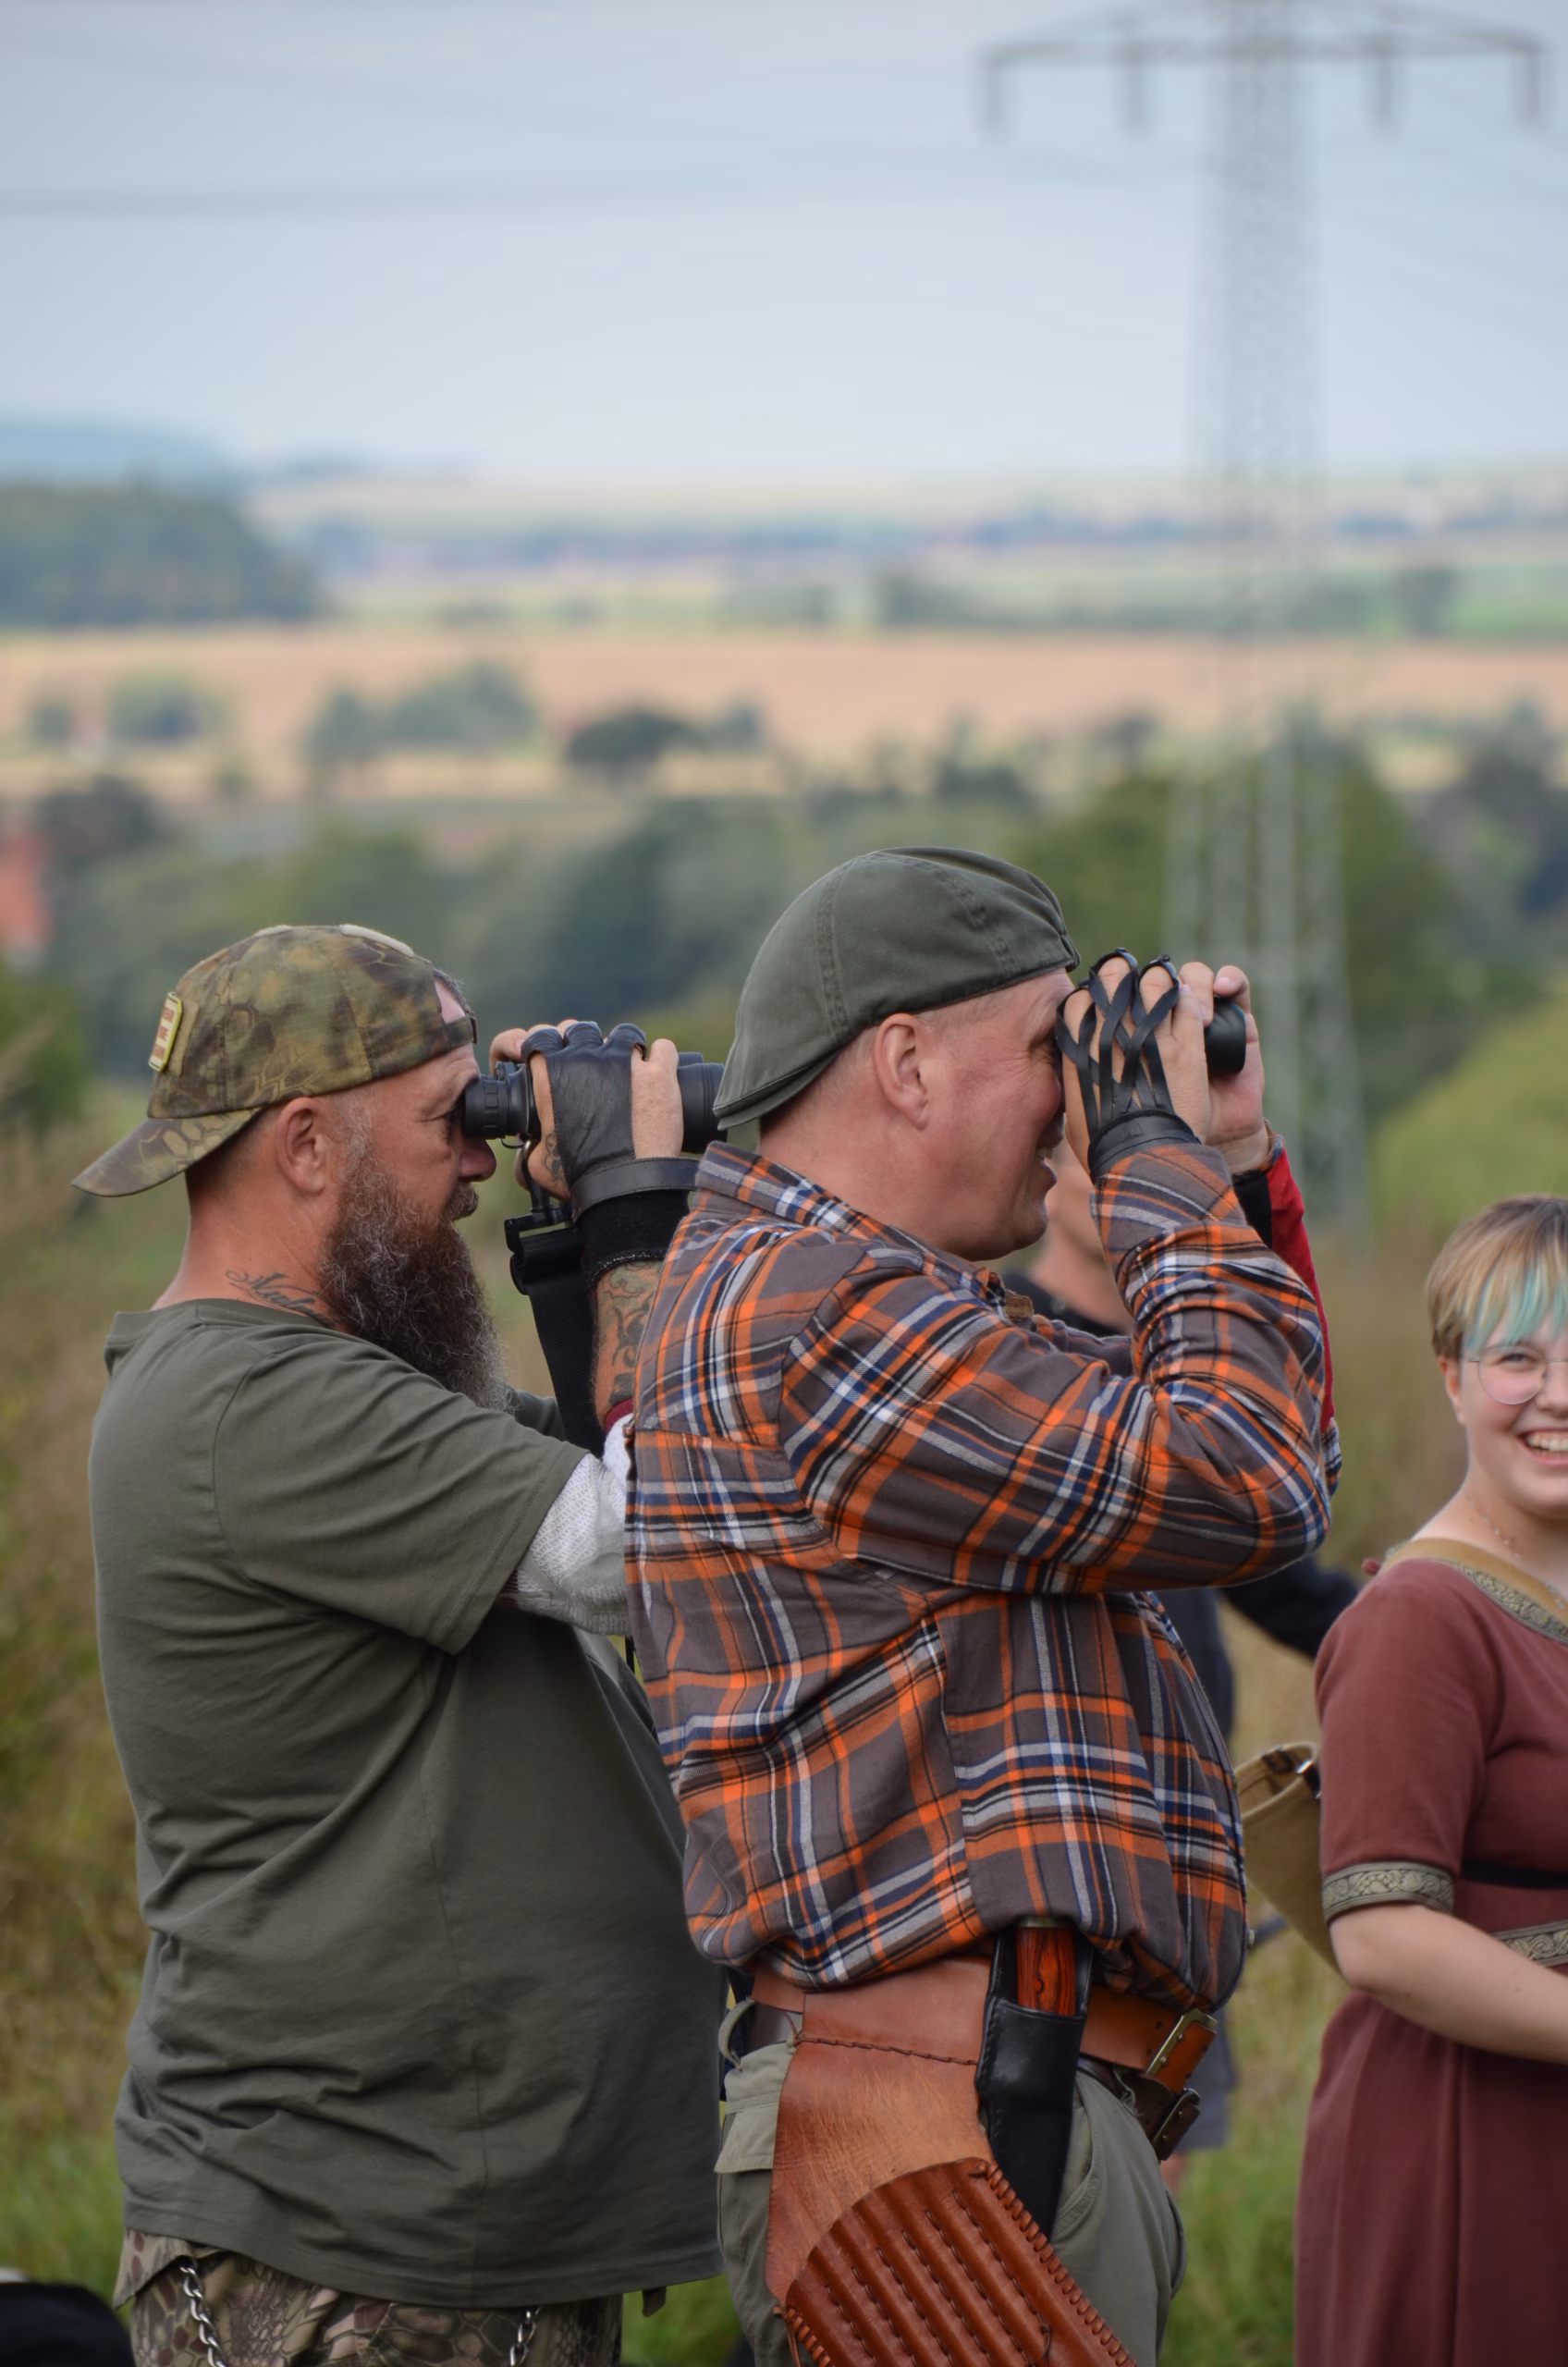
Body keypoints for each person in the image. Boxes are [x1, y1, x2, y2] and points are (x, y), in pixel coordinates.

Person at [625, 848, 1339, 2367]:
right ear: (904, 1062)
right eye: (1048, 1048)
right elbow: (1247, 1479)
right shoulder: (812, 1310)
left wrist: (1230, 1162)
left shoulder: (891, 1305)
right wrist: (1149, 1155)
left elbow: (1276, 1448)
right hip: (945, 2123)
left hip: (977, 2110)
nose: (1075, 1097)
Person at [77, 925, 725, 2367]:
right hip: (350, 2256)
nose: (480, 1160)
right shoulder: (245, 1400)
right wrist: (638, 1211)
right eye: (451, 1118)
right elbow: (654, 1543)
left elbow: (652, 1488)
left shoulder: (330, 1382)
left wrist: (580, 1241)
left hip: (430, 2233)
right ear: (308, 1145)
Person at [1007, 1135, 1357, 2186]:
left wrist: (1439, 1624)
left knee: (1149, 2220)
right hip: (1071, 1873)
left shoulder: (1192, 1376)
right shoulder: (1008, 1350)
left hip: (1188, 1859)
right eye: (1099, 1148)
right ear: (1041, 1170)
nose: (1130, 1175)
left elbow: (1285, 1580)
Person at [1296, 1195, 1568, 2367]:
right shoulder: (1421, 1617)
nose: (1556, 1395)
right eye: (1519, 1359)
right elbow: (1384, 1935)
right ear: (1453, 1377)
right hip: (1466, 2140)